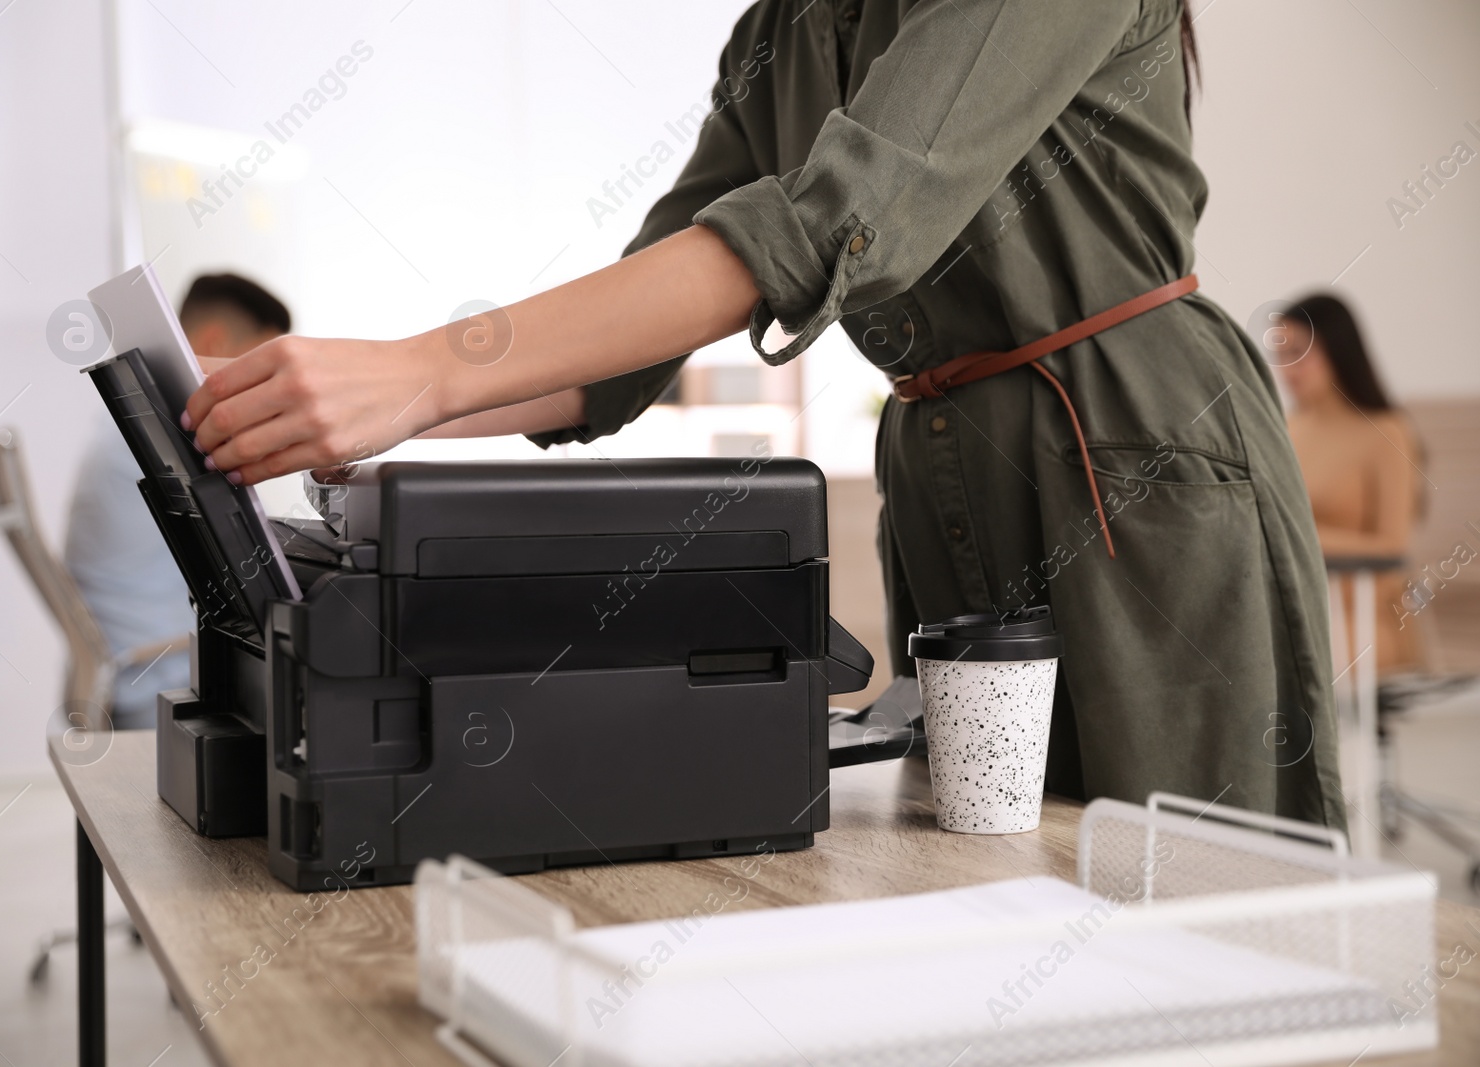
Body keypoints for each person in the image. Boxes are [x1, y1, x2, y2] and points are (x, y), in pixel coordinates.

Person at [181, 1, 1346, 829]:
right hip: (947, 457)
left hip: (1134, 451)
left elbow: (835, 217)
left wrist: (424, 370)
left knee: (1200, 880)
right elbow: (633, 341)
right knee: (1000, 873)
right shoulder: (776, 33)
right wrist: (367, 411)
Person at [65, 273, 290, 729]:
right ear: (215, 341)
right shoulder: (170, 442)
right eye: (262, 364)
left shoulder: (137, 424)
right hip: (160, 676)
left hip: (127, 667)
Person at [1274, 294, 1425, 675]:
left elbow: (1393, 544)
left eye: (1300, 352)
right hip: (1297, 604)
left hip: (1360, 615)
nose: (1289, 368)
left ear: (1338, 351)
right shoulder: (1287, 428)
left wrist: (1297, 535)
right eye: (1281, 353)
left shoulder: (1387, 430)